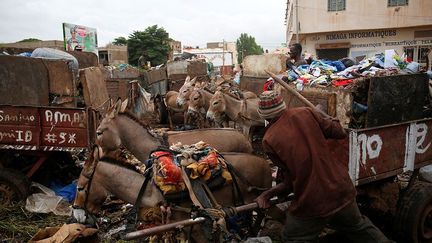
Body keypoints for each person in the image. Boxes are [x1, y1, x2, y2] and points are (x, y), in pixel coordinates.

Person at [255, 91, 392, 243]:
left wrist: (267, 194)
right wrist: (322, 116)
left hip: (313, 201)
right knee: (359, 227)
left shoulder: (268, 140)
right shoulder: (306, 112)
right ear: (283, 106)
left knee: (292, 237)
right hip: (341, 189)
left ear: (265, 116)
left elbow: (289, 181)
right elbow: (340, 132)